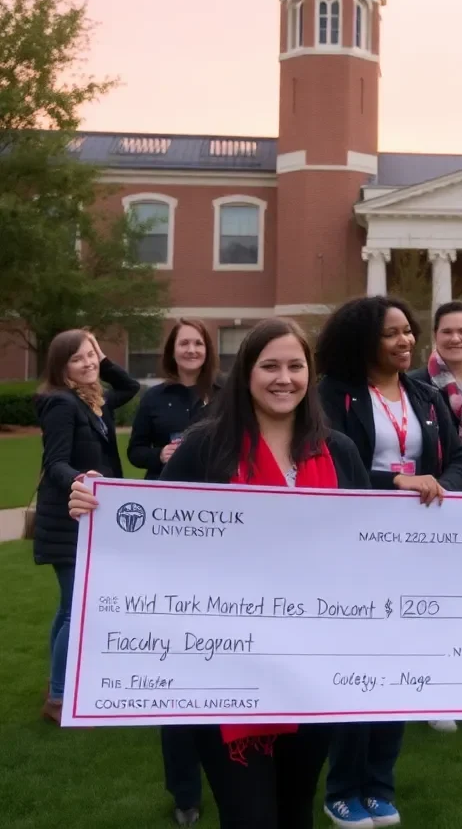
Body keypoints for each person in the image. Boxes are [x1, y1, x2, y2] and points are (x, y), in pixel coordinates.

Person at [70, 317, 370, 829]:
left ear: (310, 373)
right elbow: (155, 534)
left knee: (296, 812)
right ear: (246, 373)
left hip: (312, 671)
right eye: (269, 365)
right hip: (226, 671)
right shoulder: (207, 447)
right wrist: (99, 507)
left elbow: (368, 546)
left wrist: (415, 500)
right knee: (249, 817)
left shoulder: (337, 451)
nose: (284, 378)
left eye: (296, 366)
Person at [317, 295, 462, 828]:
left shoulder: (425, 396)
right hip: (352, 549)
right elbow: (332, 463)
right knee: (357, 669)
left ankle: (380, 786)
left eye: (409, 331)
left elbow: (457, 461)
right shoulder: (332, 396)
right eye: (392, 334)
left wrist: (438, 488)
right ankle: (342, 789)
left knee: (398, 672)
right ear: (364, 341)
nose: (406, 341)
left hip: (414, 550)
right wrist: (398, 481)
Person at [126, 318, 221, 827]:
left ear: (208, 350)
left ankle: (236, 768)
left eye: (198, 342)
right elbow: (135, 451)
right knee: (178, 658)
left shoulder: (227, 394)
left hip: (227, 533)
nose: (191, 349)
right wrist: (158, 454)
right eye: (183, 342)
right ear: (173, 350)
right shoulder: (154, 398)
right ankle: (184, 791)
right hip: (168, 530)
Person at [33, 329, 139, 725]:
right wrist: (82, 478)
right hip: (69, 517)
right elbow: (55, 463)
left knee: (67, 608)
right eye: (77, 359)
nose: (89, 363)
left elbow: (129, 385)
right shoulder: (62, 404)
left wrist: (99, 352)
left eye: (91, 356)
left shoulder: (95, 400)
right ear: (62, 369)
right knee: (76, 608)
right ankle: (59, 697)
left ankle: (55, 684)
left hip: (92, 516)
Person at [410, 299, 462, 733]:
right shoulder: (416, 384)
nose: (456, 339)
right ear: (434, 336)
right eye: (447, 332)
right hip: (430, 502)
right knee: (430, 603)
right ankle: (432, 695)